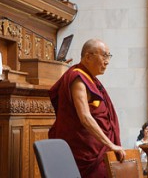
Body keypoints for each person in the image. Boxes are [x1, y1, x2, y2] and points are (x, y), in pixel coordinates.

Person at [48, 39, 126, 178]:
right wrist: (111, 144)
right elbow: (85, 117)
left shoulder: (91, 80)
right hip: (86, 152)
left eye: (109, 56)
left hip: (97, 149)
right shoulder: (78, 79)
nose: (107, 61)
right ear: (88, 57)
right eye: (104, 55)